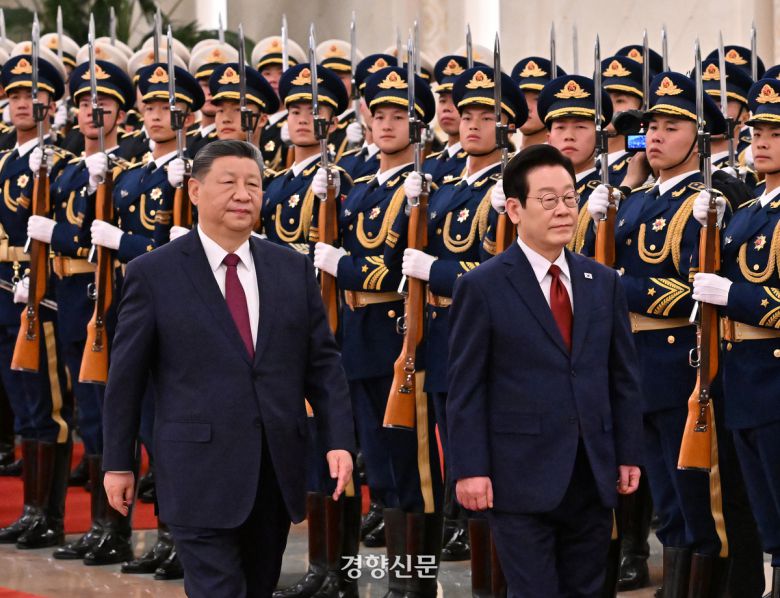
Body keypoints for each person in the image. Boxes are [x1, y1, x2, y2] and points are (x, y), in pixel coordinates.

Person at [102, 139, 355, 598]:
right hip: (196, 470)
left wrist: (339, 440)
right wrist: (119, 463)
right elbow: (126, 380)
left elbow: (322, 364)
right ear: (195, 191)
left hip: (273, 470)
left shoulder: (291, 269)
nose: (243, 194)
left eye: (253, 184)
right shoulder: (153, 273)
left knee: (258, 586)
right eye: (229, 183)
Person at [446, 143, 643, 597]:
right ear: (515, 209)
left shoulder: (602, 282)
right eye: (548, 199)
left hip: (591, 471)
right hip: (518, 475)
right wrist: (469, 469)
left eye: (570, 198)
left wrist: (628, 452)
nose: (563, 210)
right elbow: (466, 388)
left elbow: (622, 377)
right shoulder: (483, 286)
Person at [692, 76, 780, 598]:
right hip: (740, 378)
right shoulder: (748, 211)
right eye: (757, 132)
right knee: (761, 511)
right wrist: (707, 229)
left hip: (774, 377)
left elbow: (732, 290)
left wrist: (735, 296)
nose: (762, 142)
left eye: (776, 133)